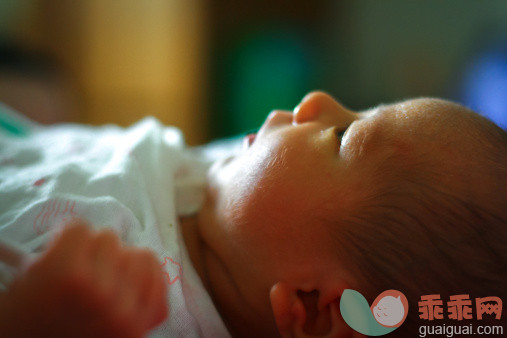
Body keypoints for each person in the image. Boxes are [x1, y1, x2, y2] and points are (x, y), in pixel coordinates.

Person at [0, 92, 506, 337]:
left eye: (343, 136)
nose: (315, 102)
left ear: (312, 310)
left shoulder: (131, 317)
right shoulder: (228, 196)